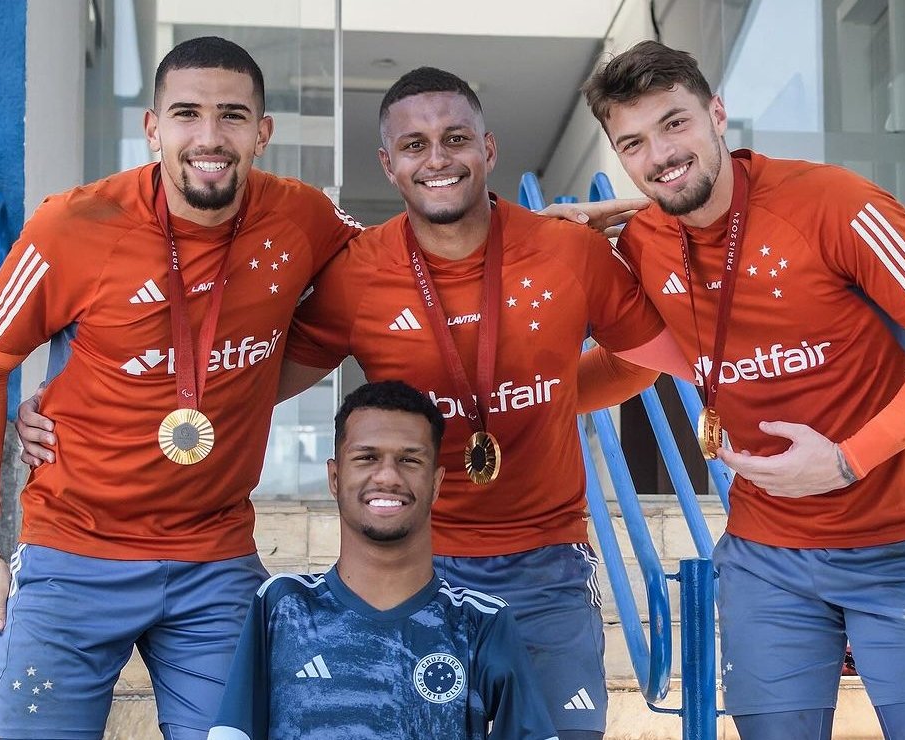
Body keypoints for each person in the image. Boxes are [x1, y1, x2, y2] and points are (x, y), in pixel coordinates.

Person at [581, 40, 905, 740]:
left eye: (675, 123)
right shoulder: (646, 243)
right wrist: (516, 396)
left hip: (900, 544)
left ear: (717, 113)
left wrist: (844, 460)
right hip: (767, 559)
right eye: (633, 142)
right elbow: (636, 363)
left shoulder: (833, 203)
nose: (659, 154)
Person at [0, 36, 365, 739]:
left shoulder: (301, 217)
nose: (210, 137)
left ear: (263, 133)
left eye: (233, 116)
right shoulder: (72, 225)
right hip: (73, 556)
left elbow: (407, 255)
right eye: (187, 114)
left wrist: (531, 231)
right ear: (153, 127)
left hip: (215, 561)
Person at [274, 67, 696, 740]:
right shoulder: (356, 275)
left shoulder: (569, 252)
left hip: (548, 568)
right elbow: (255, 384)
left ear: (489, 150)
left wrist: (557, 392)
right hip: (410, 571)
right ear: (388, 164)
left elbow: (658, 357)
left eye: (455, 138)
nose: (436, 159)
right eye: (413, 146)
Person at [208, 380, 559, 739]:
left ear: (436, 483)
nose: (388, 476)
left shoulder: (479, 622)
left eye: (409, 460)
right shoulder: (282, 605)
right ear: (334, 476)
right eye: (367, 458)